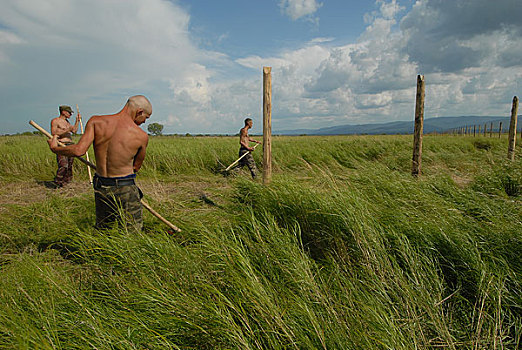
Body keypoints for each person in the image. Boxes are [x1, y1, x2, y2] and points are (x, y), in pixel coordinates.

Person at [48, 95, 151, 231]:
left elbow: (79, 150)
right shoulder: (141, 136)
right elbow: (136, 167)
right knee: (132, 231)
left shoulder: (96, 122)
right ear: (139, 111)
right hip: (125, 187)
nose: (144, 122)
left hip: (102, 185)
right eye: (146, 118)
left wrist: (55, 149)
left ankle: (101, 251)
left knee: (103, 228)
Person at [50, 105, 80, 187]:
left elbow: (74, 131)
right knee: (64, 165)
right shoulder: (56, 121)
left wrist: (77, 121)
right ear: (63, 112)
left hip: (70, 144)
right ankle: (58, 182)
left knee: (70, 166)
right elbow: (54, 133)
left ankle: (67, 182)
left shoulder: (67, 122)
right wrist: (67, 130)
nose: (70, 114)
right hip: (61, 145)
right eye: (69, 112)